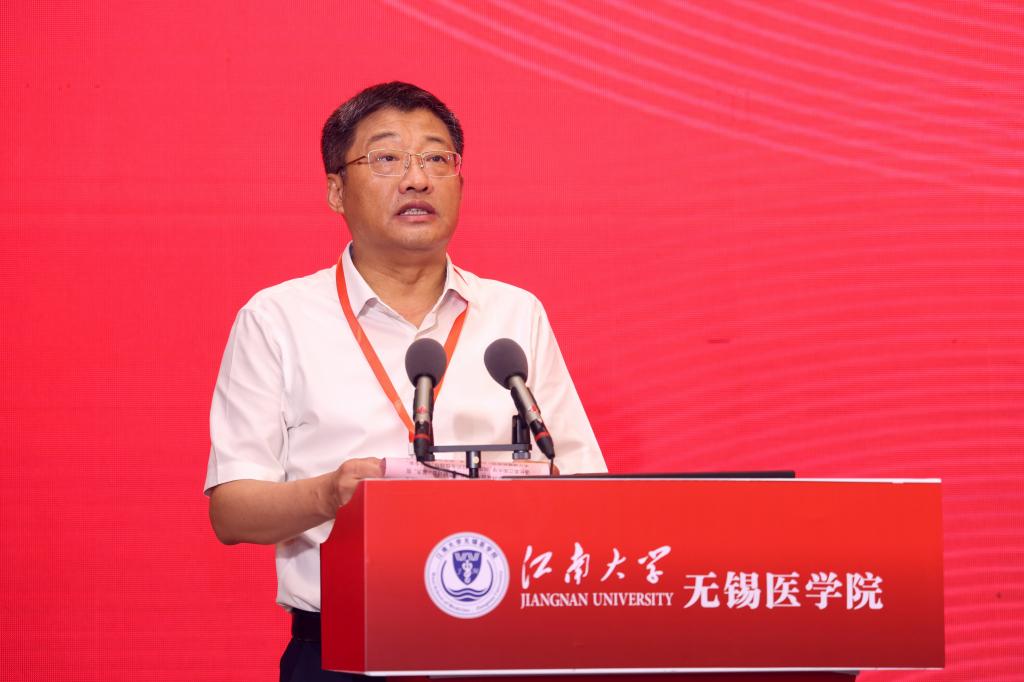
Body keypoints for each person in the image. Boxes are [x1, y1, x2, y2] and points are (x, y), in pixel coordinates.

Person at [204, 82, 607, 681]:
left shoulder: (514, 315)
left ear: (460, 182)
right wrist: (331, 494)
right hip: (344, 652)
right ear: (336, 191)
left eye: (436, 158)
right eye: (387, 158)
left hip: (504, 644)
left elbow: (583, 482)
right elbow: (232, 511)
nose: (416, 179)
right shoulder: (277, 318)